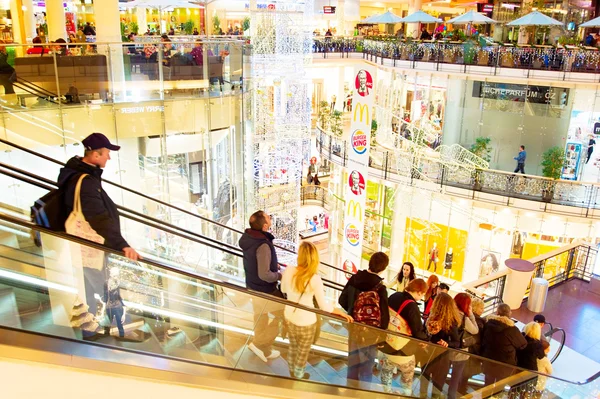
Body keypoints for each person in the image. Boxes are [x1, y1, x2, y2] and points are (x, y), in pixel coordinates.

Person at [58, 133, 141, 312]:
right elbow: (98, 217)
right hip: (90, 247)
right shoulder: (85, 181)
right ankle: (122, 328)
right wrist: (121, 244)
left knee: (88, 288)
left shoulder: (80, 174)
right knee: (108, 290)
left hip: (82, 248)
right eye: (106, 153)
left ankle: (90, 331)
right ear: (95, 155)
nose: (109, 157)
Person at [281, 242, 353, 379]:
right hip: (306, 321)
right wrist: (339, 312)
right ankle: (298, 373)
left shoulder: (289, 270)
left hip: (289, 315)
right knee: (303, 350)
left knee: (293, 346)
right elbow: (323, 306)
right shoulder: (315, 279)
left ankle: (291, 370)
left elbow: (283, 290)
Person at [339, 252, 390, 388]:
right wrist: (382, 337)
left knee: (353, 364)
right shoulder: (380, 288)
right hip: (371, 333)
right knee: (367, 368)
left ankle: (350, 393)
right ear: (383, 268)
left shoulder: (354, 279)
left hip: (354, 326)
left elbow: (341, 300)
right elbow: (384, 317)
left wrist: (353, 311)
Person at [239, 210, 283, 362]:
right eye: (268, 217)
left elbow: (257, 261)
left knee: (260, 316)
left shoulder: (249, 237)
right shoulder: (263, 245)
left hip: (252, 285)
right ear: (265, 226)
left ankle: (264, 348)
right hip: (264, 289)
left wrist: (272, 264)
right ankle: (259, 344)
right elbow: (264, 274)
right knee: (285, 316)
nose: (270, 217)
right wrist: (279, 275)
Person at [376, 278, 429, 394]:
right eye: (423, 294)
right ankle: (406, 395)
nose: (422, 297)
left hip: (387, 343)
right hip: (404, 350)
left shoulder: (394, 296)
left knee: (386, 373)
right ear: (419, 292)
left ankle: (386, 394)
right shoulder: (412, 306)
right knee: (407, 378)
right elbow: (418, 332)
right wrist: (427, 339)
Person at [421, 292, 461, 398]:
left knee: (425, 384)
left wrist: (447, 343)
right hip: (438, 355)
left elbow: (457, 343)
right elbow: (457, 342)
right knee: (436, 387)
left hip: (434, 355)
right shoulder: (439, 318)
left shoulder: (447, 321)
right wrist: (447, 344)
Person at [481, 303, 527, 385]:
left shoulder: (488, 324)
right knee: (499, 387)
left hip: (488, 360)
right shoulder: (512, 329)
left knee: (487, 385)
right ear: (509, 314)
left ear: (497, 313)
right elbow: (522, 344)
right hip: (505, 364)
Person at [447, 293, 479, 399]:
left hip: (444, 350)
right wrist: (471, 314)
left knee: (441, 377)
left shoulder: (448, 313)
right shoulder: (463, 318)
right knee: (454, 380)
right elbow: (475, 330)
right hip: (460, 353)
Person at [103, 267, 125, 338]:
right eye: (114, 275)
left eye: (117, 275)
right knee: (107, 326)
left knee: (120, 325)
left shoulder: (119, 283)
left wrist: (124, 313)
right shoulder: (106, 283)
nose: (116, 277)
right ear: (111, 275)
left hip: (118, 306)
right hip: (109, 307)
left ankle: (122, 339)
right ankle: (105, 341)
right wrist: (102, 310)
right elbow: (105, 296)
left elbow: (122, 298)